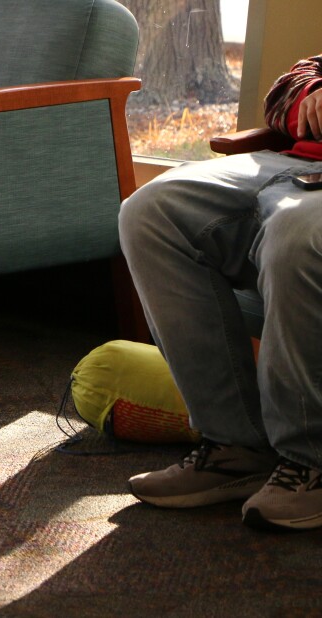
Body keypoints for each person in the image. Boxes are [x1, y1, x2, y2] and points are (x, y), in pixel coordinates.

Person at [119, 54, 322, 531]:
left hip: (307, 205)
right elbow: (288, 87)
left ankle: (310, 460)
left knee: (294, 236)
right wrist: (311, 98)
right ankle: (236, 446)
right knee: (150, 210)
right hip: (292, 165)